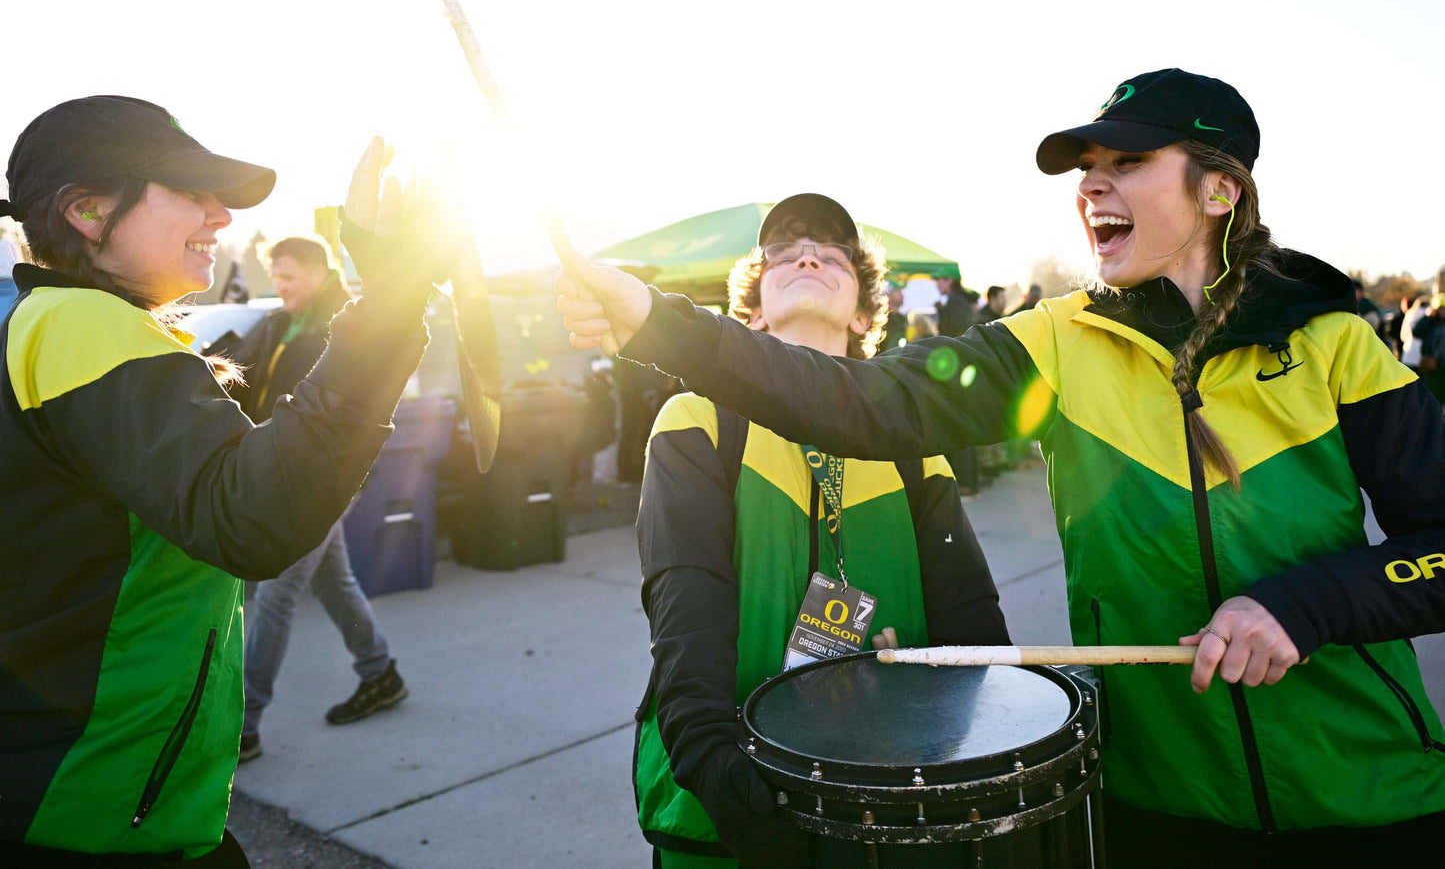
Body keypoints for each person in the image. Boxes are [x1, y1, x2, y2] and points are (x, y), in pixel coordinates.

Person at [557, 69, 1445, 866]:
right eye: (1085, 165)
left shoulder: (1333, 342)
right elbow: (865, 401)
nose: (1091, 183)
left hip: (1371, 794)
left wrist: (1307, 605)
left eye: (1127, 160)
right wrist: (652, 316)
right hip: (1157, 808)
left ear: (1219, 187)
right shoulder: (1056, 341)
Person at [0, 96, 447, 866]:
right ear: (86, 210)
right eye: (188, 190)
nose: (219, 215)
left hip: (89, 799)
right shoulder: (80, 325)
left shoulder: (49, 324)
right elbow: (253, 519)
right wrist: (392, 302)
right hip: (91, 816)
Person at [633, 194, 1008, 868]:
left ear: (865, 313)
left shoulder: (915, 448)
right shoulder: (698, 419)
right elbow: (684, 612)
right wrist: (714, 765)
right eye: (783, 251)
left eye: (833, 254)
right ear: (751, 311)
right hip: (730, 806)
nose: (807, 254)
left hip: (894, 802)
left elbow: (971, 620)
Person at [229, 236, 407, 764]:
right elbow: (246, 375)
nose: (278, 287)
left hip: (321, 480)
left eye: (287, 277)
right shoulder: (282, 322)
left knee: (277, 595)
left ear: (315, 272)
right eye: (275, 277)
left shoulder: (346, 324)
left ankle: (244, 725)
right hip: (284, 471)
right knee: (333, 580)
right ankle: (380, 673)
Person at [931, 265, 975, 336]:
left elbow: (954, 331)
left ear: (949, 281)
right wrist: (941, 310)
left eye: (938, 279)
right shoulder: (961, 299)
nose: (937, 284)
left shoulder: (956, 301)